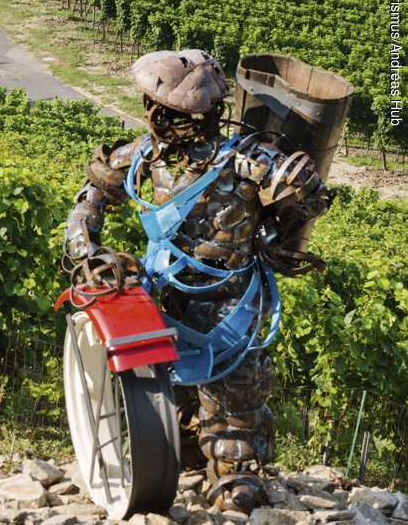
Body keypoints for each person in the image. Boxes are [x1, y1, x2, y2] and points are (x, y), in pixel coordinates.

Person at [63, 49, 331, 514]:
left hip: (232, 301)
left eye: (162, 108)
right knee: (172, 389)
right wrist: (87, 249)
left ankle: (236, 476)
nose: (153, 115)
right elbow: (93, 194)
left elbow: (306, 197)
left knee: (236, 393)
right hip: (166, 292)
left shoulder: (249, 160)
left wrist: (277, 237)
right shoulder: (144, 155)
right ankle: (183, 456)